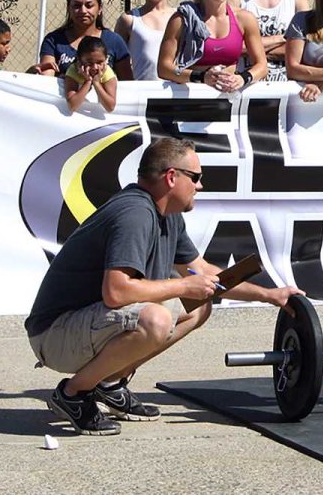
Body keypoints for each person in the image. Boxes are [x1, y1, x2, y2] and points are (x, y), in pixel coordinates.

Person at [25, 137, 304, 436]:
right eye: (196, 177)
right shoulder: (135, 213)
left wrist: (270, 295)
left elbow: (206, 272)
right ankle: (73, 394)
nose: (200, 186)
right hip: (55, 335)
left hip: (87, 325)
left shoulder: (166, 215)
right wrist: (184, 285)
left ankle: (109, 384)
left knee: (199, 308)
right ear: (172, 177)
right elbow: (116, 291)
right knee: (155, 319)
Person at [158, 0, 268, 91]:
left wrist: (242, 78)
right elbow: (163, 68)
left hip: (228, 98)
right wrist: (201, 77)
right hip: (191, 97)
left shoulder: (245, 19)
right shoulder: (182, 19)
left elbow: (262, 66)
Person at [32, 0, 132, 79]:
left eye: (89, 5)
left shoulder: (114, 41)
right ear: (68, 8)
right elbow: (46, 79)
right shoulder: (53, 40)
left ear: (100, 8)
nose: (83, 11)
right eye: (77, 6)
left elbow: (128, 85)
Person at [114, 0, 178, 80]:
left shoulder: (181, 18)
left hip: (174, 93)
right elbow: (116, 61)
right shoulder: (129, 19)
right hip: (142, 93)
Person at [64, 36, 118, 113]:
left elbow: (110, 107)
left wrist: (96, 83)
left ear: (106, 60)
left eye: (99, 62)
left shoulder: (107, 73)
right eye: (89, 63)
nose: (95, 67)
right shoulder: (73, 71)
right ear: (79, 60)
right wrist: (88, 82)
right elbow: (72, 106)